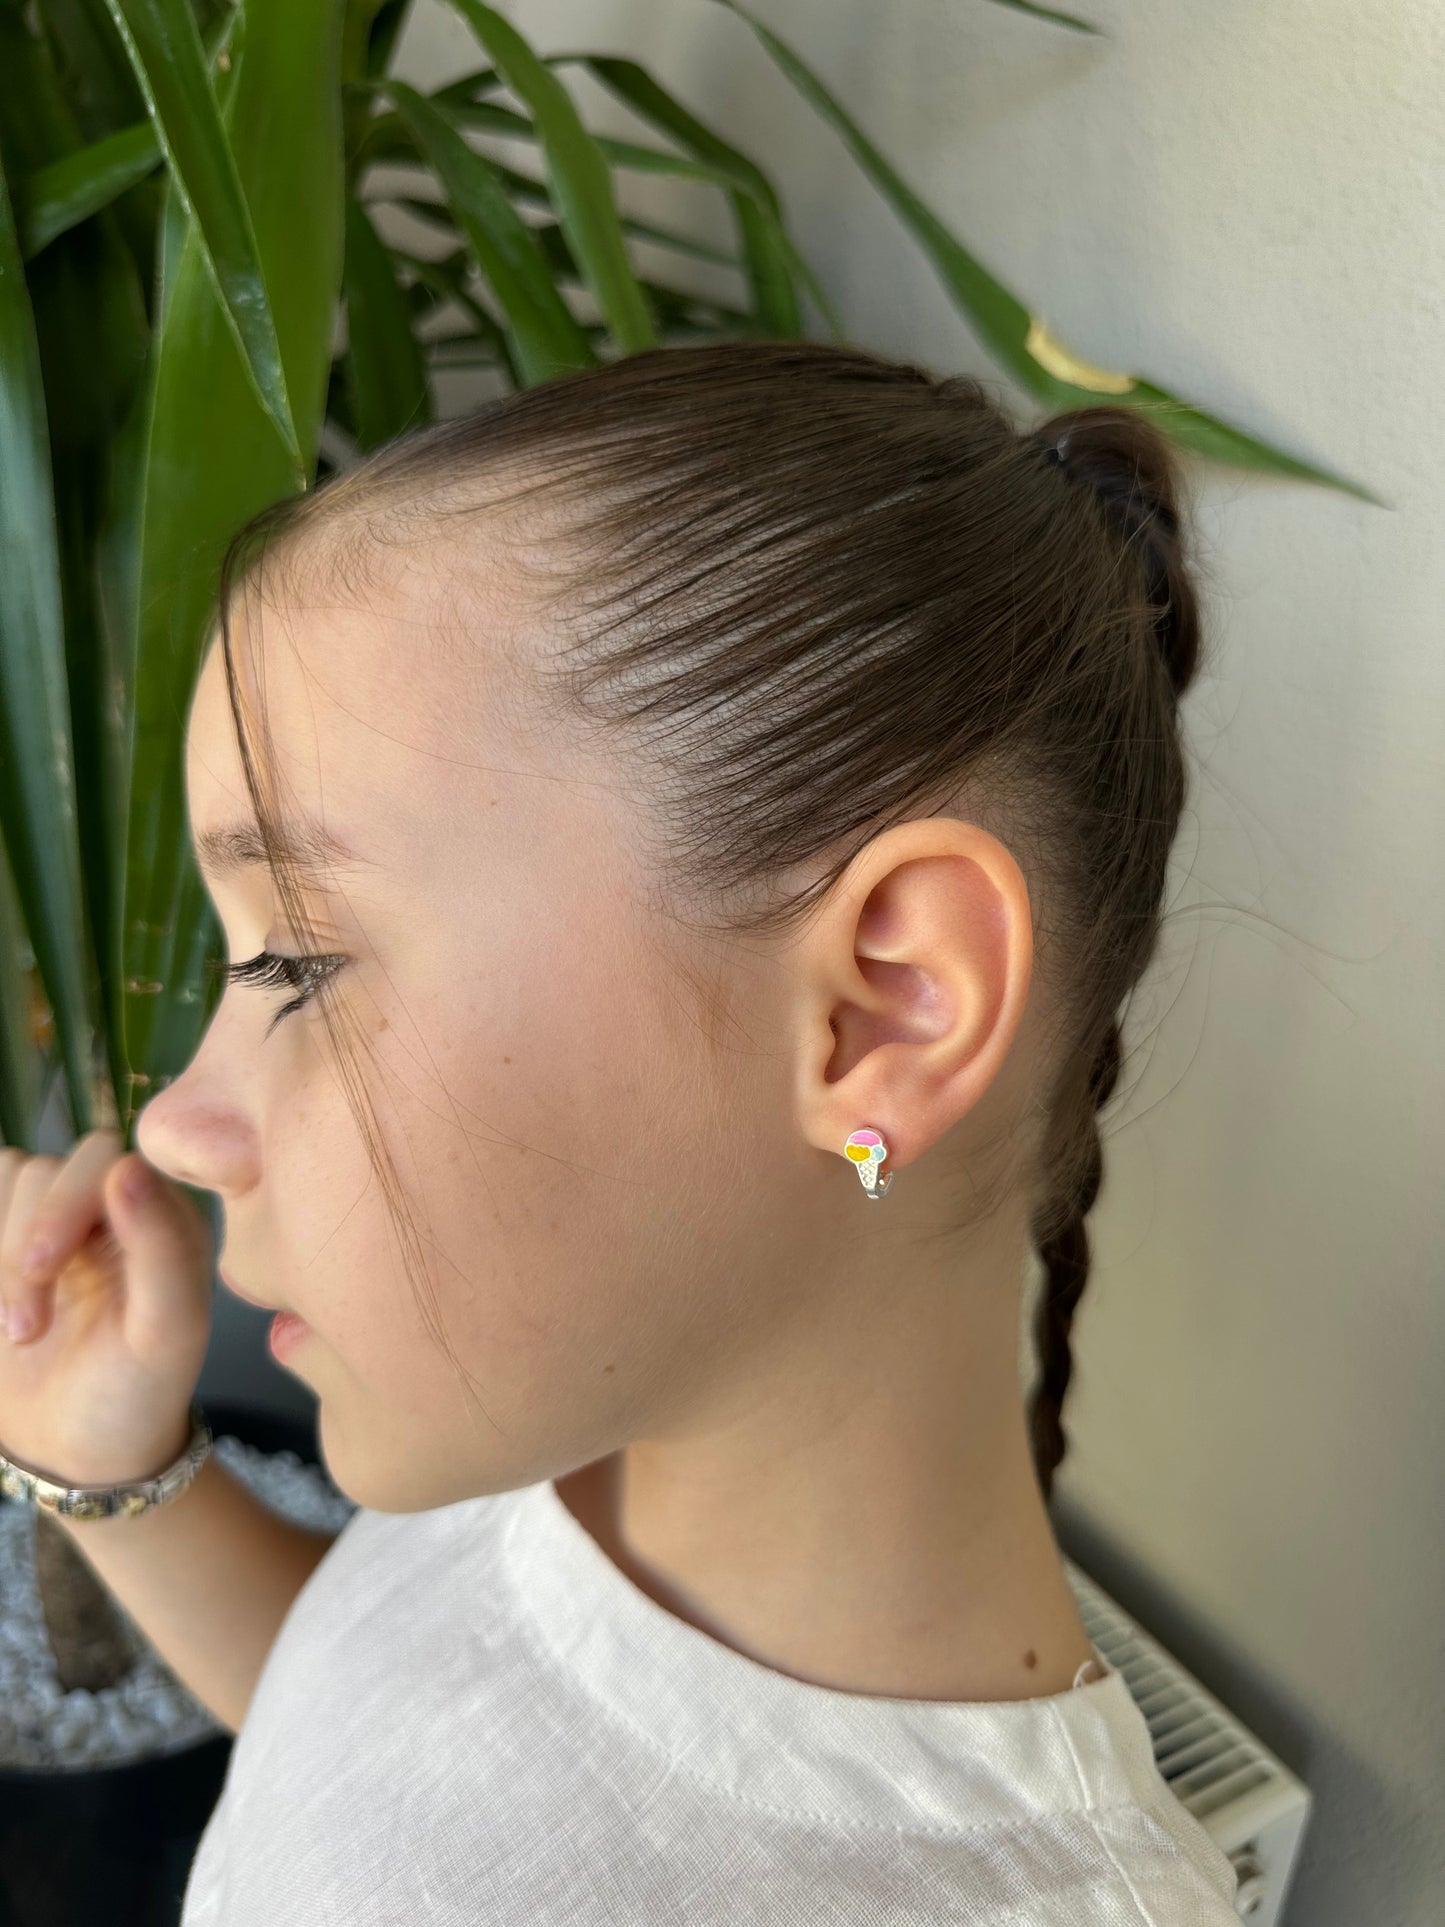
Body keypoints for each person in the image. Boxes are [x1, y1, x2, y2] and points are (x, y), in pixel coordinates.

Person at [0, 340, 1242, 1923]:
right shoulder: (580, 1411)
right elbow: (416, 1765)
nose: (177, 1123)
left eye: (297, 962)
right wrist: (111, 1471)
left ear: (881, 1012)